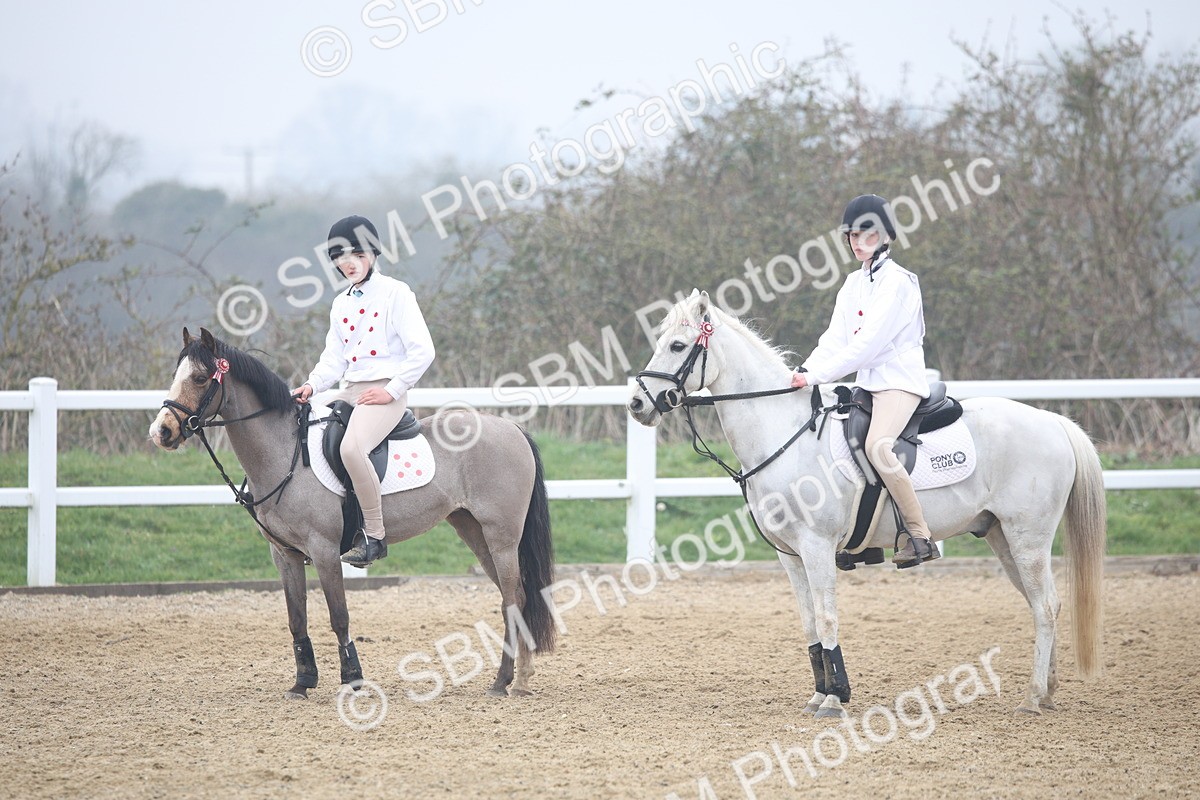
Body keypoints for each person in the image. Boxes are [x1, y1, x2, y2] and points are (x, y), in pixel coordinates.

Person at [789, 194, 939, 568]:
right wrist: (802, 373)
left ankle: (920, 536)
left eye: (865, 234)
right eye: (852, 235)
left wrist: (816, 377)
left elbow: (867, 346)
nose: (857, 242)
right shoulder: (853, 284)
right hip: (869, 384)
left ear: (885, 235)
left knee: (878, 447)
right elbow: (835, 340)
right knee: (837, 442)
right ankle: (866, 537)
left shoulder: (898, 282)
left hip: (899, 382)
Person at [293, 215, 435, 567]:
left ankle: (374, 535)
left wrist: (392, 390)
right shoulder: (341, 303)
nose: (348, 262)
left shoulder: (396, 293)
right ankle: (311, 524)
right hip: (350, 389)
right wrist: (312, 384)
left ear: (373, 253)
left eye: (356, 254)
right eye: (340, 256)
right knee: (299, 423)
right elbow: (334, 358)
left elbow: (423, 350)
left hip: (386, 392)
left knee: (353, 449)